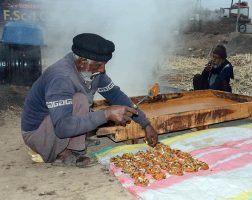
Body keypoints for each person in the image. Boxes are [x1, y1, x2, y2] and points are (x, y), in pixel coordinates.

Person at [21, 33, 158, 167]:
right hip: (38, 135)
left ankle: (76, 143)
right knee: (80, 99)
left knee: (84, 102)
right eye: (99, 65)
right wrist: (105, 114)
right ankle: (65, 153)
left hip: (53, 126)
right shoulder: (61, 77)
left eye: (104, 64)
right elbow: (62, 128)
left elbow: (115, 95)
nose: (103, 69)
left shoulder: (93, 71)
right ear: (82, 61)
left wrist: (145, 123)